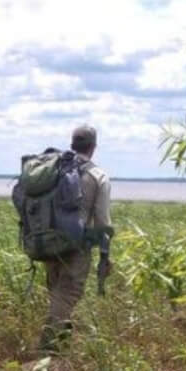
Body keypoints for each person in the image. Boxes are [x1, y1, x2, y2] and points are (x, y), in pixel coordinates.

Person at [39, 123, 112, 352]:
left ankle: (61, 346)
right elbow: (102, 222)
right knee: (68, 294)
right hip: (76, 247)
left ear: (73, 143)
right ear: (93, 147)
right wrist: (105, 256)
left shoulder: (55, 168)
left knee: (57, 293)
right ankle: (47, 350)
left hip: (49, 242)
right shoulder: (97, 176)